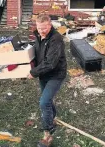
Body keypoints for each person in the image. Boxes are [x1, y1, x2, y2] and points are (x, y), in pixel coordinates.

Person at [28, 14, 67, 147]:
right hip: (44, 74)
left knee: (44, 102)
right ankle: (52, 119)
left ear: (50, 25)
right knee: (47, 100)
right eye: (39, 28)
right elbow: (37, 53)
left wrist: (33, 72)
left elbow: (51, 62)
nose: (41, 31)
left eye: (44, 28)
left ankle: (47, 134)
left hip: (56, 74)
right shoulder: (38, 36)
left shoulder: (56, 39)